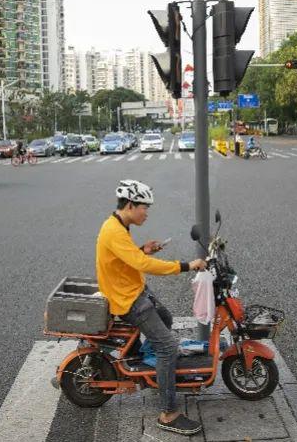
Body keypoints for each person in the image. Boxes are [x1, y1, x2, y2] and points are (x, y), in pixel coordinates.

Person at [96, 180, 206, 436]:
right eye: (144, 208)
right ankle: (168, 414)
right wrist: (186, 266)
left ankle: (151, 365)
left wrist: (143, 249)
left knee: (166, 319)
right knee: (168, 346)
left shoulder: (119, 225)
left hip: (134, 290)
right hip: (127, 299)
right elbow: (144, 265)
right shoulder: (114, 230)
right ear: (131, 205)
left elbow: (126, 258)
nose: (147, 213)